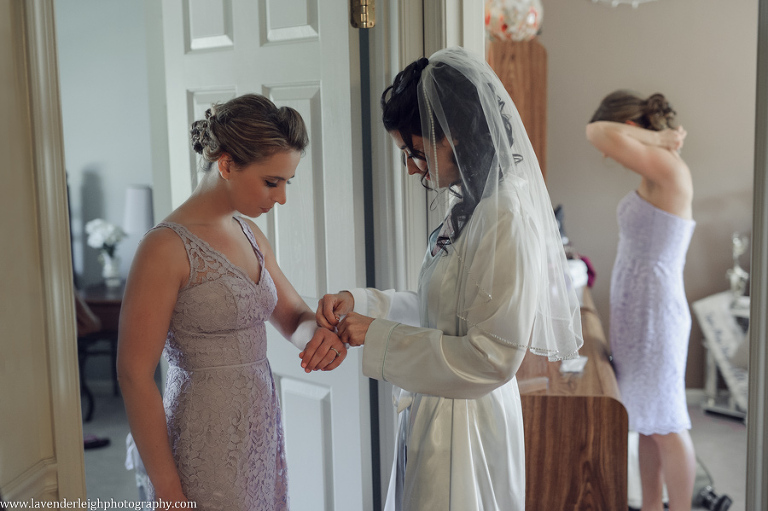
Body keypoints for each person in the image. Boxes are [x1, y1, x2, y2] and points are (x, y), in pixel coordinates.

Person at [301, 47, 583, 511]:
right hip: (441, 411)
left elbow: (494, 356)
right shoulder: (472, 207)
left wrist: (379, 336)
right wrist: (363, 304)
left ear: (455, 136)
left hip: (468, 426)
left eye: (415, 151)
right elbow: (447, 313)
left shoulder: (504, 217)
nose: (411, 167)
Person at [117, 93, 347, 510]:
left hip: (258, 430)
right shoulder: (165, 248)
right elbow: (134, 375)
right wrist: (169, 493)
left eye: (286, 183)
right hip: (203, 435)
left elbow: (294, 317)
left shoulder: (250, 234)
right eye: (271, 182)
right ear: (226, 164)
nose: (281, 199)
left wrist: (320, 335)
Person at [586, 90, 696, 511]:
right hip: (640, 314)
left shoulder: (666, 165)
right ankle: (651, 506)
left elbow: (594, 131)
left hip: (656, 316)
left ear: (630, 130)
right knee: (648, 423)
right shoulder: (657, 167)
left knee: (668, 424)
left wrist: (656, 140)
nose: (612, 156)